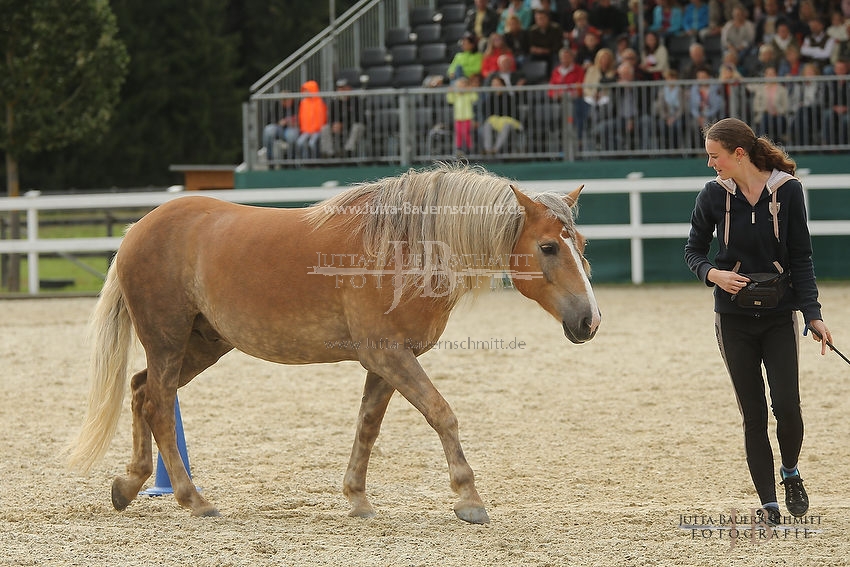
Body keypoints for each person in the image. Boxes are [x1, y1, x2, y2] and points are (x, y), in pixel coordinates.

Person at [685, 117, 833, 527]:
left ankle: (790, 472)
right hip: (732, 319)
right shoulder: (712, 196)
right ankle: (768, 503)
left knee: (786, 406)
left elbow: (801, 258)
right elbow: (694, 251)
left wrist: (814, 314)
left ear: (738, 154)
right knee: (753, 413)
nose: (710, 164)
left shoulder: (788, 192)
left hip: (779, 316)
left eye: (715, 156)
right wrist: (713, 275)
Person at [319, 79, 365, 159]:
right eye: (339, 89)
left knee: (356, 127)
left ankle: (348, 151)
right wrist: (333, 125)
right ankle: (329, 154)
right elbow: (330, 117)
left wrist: (343, 125)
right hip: (338, 128)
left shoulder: (356, 101)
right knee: (325, 128)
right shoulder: (334, 102)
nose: (341, 91)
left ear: (349, 89)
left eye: (344, 88)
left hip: (353, 127)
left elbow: (360, 118)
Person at [479, 76, 522, 155]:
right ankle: (488, 149)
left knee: (506, 126)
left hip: (509, 125)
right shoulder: (489, 99)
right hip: (495, 124)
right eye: (493, 85)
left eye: (497, 84)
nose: (495, 87)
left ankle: (495, 149)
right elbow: (487, 114)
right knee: (487, 125)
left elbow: (514, 114)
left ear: (503, 85)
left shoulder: (510, 99)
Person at [750, 65, 789, 141]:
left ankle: (778, 143)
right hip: (764, 115)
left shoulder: (782, 90)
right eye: (768, 74)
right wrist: (765, 109)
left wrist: (777, 111)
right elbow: (756, 106)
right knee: (765, 118)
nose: (770, 76)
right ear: (765, 75)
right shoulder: (760, 89)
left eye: (772, 74)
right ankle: (763, 143)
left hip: (778, 115)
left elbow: (785, 107)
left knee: (779, 120)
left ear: (776, 75)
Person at [446, 76, 480, 154]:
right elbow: (450, 100)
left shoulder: (468, 94)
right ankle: (459, 148)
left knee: (466, 133)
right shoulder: (456, 95)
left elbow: (475, 98)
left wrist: (471, 90)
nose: (461, 88)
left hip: (468, 117)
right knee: (458, 133)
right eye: (459, 86)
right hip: (458, 118)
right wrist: (450, 92)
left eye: (463, 86)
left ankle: (469, 148)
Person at [261, 95, 299, 165]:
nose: (287, 103)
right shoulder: (277, 105)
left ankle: (291, 162)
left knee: (292, 135)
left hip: (291, 128)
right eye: (285, 101)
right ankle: (270, 160)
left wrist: (291, 122)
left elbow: (300, 119)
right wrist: (280, 122)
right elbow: (269, 120)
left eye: (289, 101)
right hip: (279, 128)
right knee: (268, 130)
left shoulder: (297, 105)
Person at [295, 80, 327, 159]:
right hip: (306, 130)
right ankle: (303, 161)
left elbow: (321, 118)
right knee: (299, 142)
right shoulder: (303, 103)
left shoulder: (320, 102)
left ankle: (315, 161)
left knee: (312, 143)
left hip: (317, 130)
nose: (305, 92)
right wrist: (304, 130)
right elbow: (302, 118)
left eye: (307, 90)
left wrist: (315, 129)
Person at [527, 8, 564, 73]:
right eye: (538, 19)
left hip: (552, 53)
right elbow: (530, 45)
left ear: (547, 18)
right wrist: (535, 50)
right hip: (538, 54)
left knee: (556, 57)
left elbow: (558, 45)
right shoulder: (532, 30)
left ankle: (553, 76)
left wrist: (546, 50)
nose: (540, 20)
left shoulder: (556, 28)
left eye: (542, 18)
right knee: (528, 58)